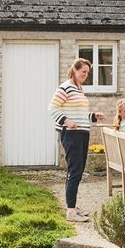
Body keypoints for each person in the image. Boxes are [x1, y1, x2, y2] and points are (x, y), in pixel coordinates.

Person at [48, 58, 105, 222]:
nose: (86, 75)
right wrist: (66, 121)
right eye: (83, 72)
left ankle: (71, 206)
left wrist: (93, 116)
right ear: (74, 70)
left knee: (76, 172)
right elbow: (52, 108)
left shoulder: (78, 89)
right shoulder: (65, 87)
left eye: (88, 72)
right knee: (75, 172)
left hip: (82, 133)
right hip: (72, 134)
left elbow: (79, 113)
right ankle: (71, 212)